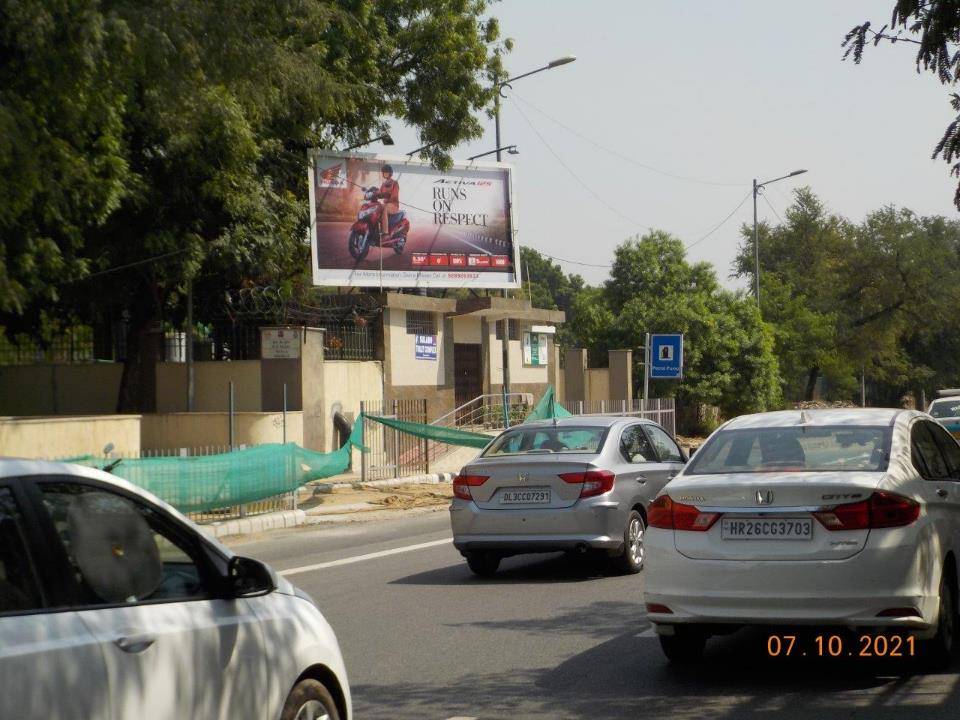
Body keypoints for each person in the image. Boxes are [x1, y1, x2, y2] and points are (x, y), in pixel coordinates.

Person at [376, 164, 401, 237]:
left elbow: (395, 195)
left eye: (387, 172)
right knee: (376, 208)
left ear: (390, 173)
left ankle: (385, 233)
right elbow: (379, 193)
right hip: (386, 204)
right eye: (384, 172)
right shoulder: (383, 184)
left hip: (393, 205)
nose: (385, 173)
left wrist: (386, 196)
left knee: (385, 209)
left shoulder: (394, 183)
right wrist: (372, 191)